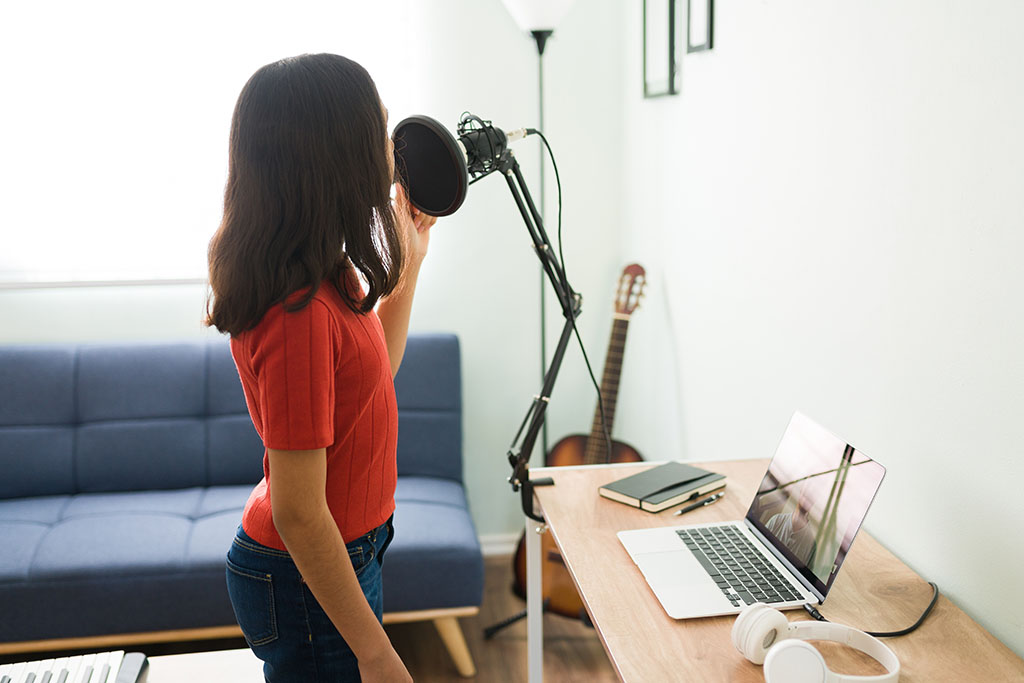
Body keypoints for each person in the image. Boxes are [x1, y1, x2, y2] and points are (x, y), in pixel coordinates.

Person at [205, 53, 435, 683]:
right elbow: (300, 512)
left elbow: (374, 375)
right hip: (306, 573)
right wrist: (378, 652)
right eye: (380, 130)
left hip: (348, 549)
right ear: (336, 154)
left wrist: (409, 263)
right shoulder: (296, 313)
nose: (392, 149)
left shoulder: (326, 274)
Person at [764, 481, 818, 567]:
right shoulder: (776, 521)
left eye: (812, 496)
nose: (807, 499)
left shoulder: (811, 546)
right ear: (800, 492)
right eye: (806, 493)